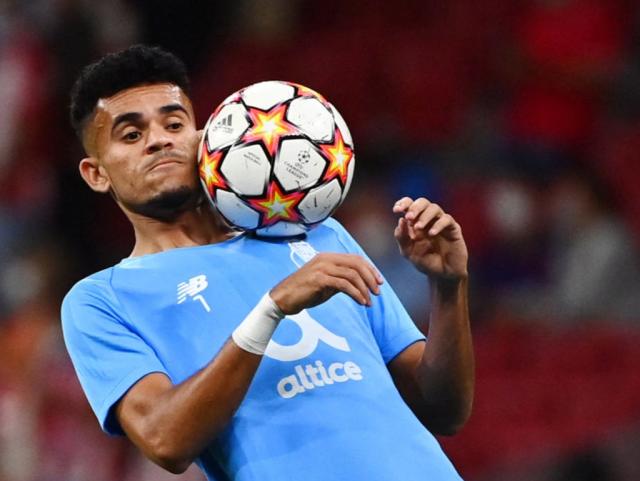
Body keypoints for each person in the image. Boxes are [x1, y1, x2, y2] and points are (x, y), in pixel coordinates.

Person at [61, 44, 474, 481]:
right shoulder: (101, 301)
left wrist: (448, 287)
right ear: (96, 173)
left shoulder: (317, 233)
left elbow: (443, 409)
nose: (159, 140)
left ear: (203, 137)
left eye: (174, 123)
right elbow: (166, 441)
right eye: (131, 135)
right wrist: (271, 309)